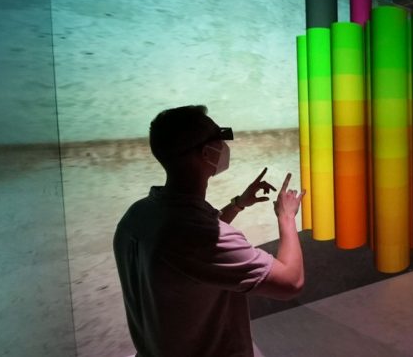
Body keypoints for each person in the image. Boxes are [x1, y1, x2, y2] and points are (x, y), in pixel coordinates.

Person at [113, 105, 305, 357]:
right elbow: (291, 282)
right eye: (219, 140)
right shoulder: (193, 236)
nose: (224, 148)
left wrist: (238, 203)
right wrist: (287, 217)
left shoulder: (137, 215)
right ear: (206, 153)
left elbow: (195, 250)